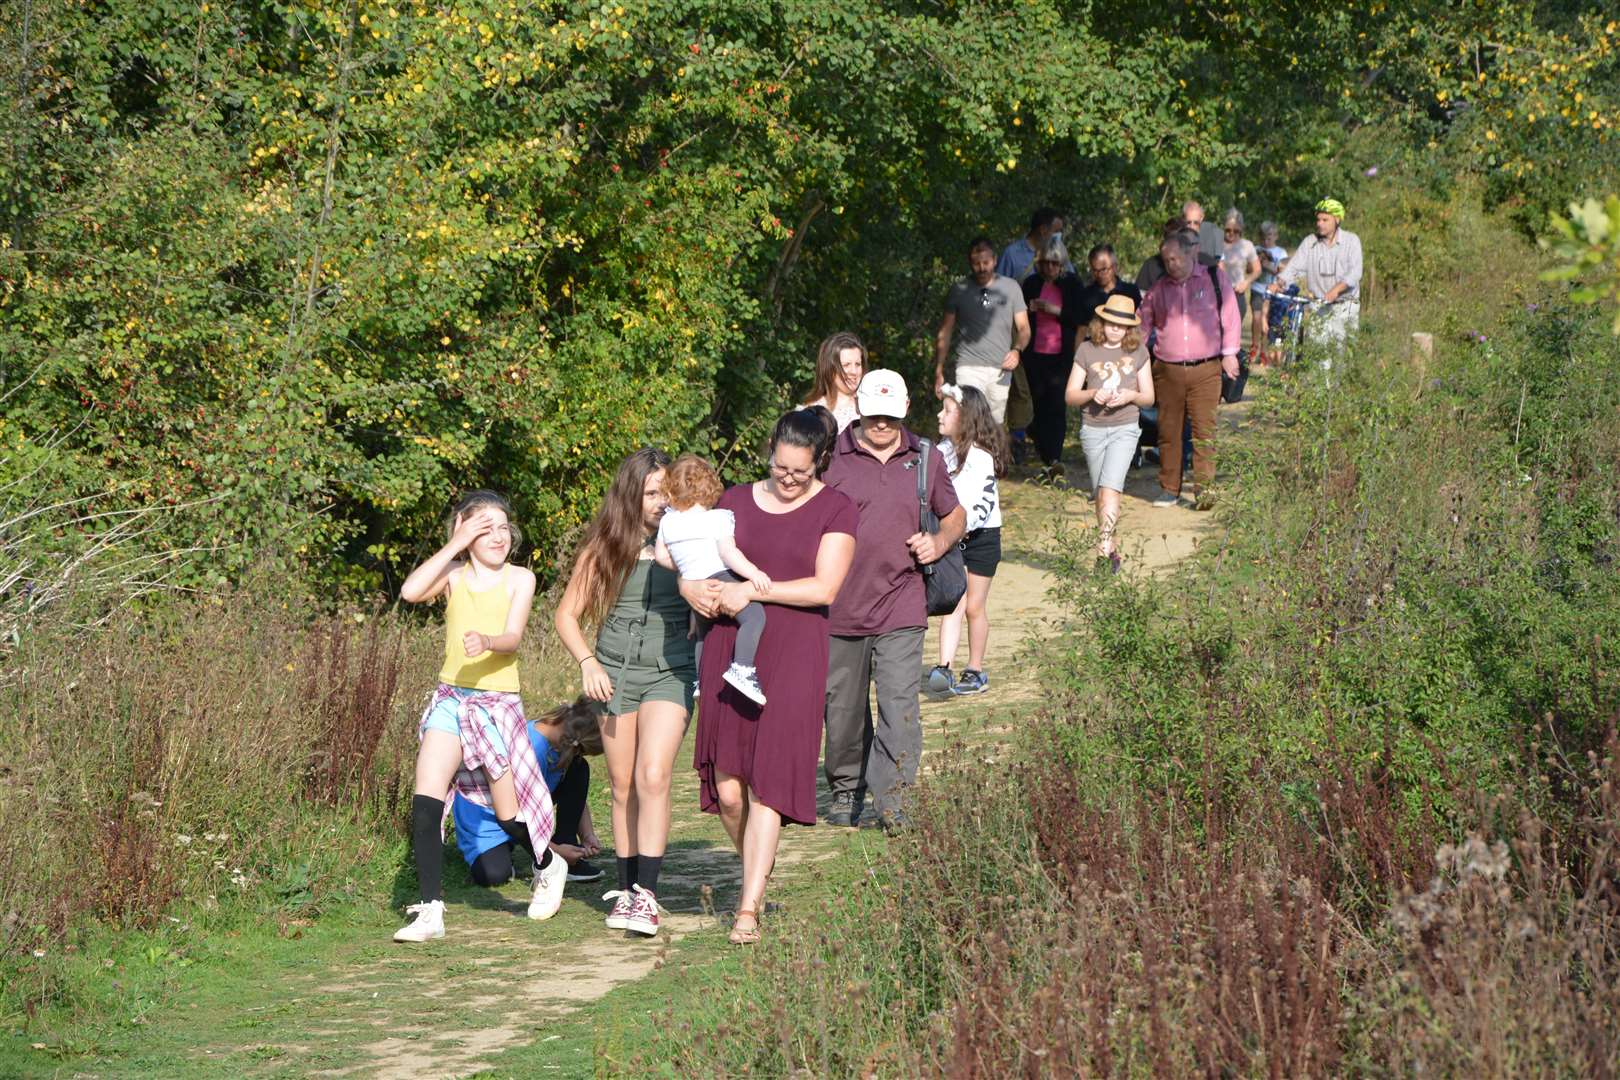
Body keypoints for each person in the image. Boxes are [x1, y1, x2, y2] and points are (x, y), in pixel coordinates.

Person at [680, 410, 858, 945]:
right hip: (729, 646)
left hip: (796, 653)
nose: (788, 479)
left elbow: (824, 589)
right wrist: (693, 590)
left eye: (799, 472)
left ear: (819, 462)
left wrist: (752, 591)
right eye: (781, 467)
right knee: (730, 791)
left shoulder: (837, 508)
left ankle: (748, 907)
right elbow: (692, 553)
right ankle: (757, 866)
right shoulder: (732, 500)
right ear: (771, 452)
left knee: (768, 785)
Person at [395, 490, 560, 942]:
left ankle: (548, 864)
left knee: (508, 814)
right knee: (426, 800)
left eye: (503, 526)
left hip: (496, 705)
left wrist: (487, 641)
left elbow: (512, 637)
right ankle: (431, 911)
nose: (497, 535)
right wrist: (454, 544)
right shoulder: (452, 574)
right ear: (464, 531)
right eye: (484, 527)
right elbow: (410, 592)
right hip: (451, 701)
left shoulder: (520, 579)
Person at [554, 448, 695, 939]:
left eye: (665, 492)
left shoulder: (686, 537)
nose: (659, 501)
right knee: (621, 784)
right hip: (614, 673)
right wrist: (588, 662)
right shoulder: (605, 545)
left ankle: (647, 897)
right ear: (630, 495)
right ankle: (627, 886)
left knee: (653, 775)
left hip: (671, 669)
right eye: (650, 493)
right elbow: (566, 615)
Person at [823, 370, 965, 829]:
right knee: (842, 710)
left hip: (902, 600)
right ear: (859, 410)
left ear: (903, 412)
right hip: (839, 605)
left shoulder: (924, 456)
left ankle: (895, 800)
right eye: (873, 415)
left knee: (899, 704)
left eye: (889, 416)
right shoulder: (831, 456)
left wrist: (938, 542)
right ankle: (846, 790)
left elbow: (955, 515)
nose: (881, 425)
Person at [654, 454, 773, 705]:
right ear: (709, 487)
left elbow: (662, 556)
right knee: (754, 617)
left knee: (701, 635)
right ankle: (742, 668)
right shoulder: (718, 518)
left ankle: (699, 679)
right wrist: (754, 574)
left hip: (693, 584)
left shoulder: (667, 522)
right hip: (719, 578)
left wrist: (686, 564)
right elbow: (729, 554)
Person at [451, 697, 606, 888]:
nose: (578, 756)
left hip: (518, 811)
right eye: (581, 752)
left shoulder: (557, 741)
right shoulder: (532, 751)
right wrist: (554, 852)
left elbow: (572, 792)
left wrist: (587, 834)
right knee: (493, 875)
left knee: (578, 769)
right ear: (577, 743)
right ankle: (549, 858)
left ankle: (565, 850)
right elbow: (514, 819)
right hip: (489, 821)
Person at [1138, 227, 1240, 508]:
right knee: (1168, 432)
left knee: (1204, 432)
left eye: (1174, 259)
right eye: (1166, 260)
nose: (1171, 264)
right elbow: (1142, 325)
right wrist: (1130, 358)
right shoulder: (1159, 289)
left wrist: (1230, 354)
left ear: (1189, 253)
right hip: (1167, 370)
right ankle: (1169, 488)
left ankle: (1205, 492)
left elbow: (1230, 317)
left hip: (1206, 368)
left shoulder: (1213, 279)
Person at [927, 384, 1009, 695]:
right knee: (954, 603)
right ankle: (944, 668)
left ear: (966, 418)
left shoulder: (981, 456)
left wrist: (959, 527)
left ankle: (975, 670)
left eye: (947, 410)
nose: (940, 414)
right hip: (952, 536)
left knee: (974, 605)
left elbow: (984, 503)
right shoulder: (940, 452)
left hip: (982, 538)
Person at [1066, 295, 1156, 570]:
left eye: (1122, 324)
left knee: (1110, 489)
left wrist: (1130, 395)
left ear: (1130, 327)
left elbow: (1149, 397)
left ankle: (1103, 551)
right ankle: (1112, 547)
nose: (1115, 328)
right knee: (1100, 495)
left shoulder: (1139, 351)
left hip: (1125, 428)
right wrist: (1094, 393)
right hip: (1093, 429)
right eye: (1110, 322)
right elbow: (1070, 395)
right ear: (1101, 322)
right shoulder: (1086, 350)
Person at [935, 237, 1031, 424]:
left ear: (995, 260)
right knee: (969, 419)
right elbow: (945, 332)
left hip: (1001, 368)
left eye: (986, 262)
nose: (981, 268)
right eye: (976, 263)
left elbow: (1024, 328)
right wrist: (938, 368)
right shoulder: (959, 289)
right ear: (970, 263)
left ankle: (992, 454)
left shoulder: (1011, 288)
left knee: (994, 423)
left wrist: (1017, 350)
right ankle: (966, 453)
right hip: (968, 365)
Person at [1018, 235, 1086, 476]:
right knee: (1036, 406)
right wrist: (1030, 309)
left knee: (1056, 405)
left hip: (1060, 356)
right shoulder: (1031, 283)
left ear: (1062, 264)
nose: (1050, 268)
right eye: (1046, 262)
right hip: (1034, 354)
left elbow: (1080, 318)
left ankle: (1054, 458)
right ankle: (1044, 451)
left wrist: (1055, 310)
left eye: (1055, 263)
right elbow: (1020, 315)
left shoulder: (1071, 284)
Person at [1270, 197, 1363, 347]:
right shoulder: (1310, 242)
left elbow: (1355, 272)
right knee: (1319, 360)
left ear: (1337, 219)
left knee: (1342, 360)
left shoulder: (1351, 241)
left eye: (1325, 220)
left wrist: (1336, 290)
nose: (1319, 224)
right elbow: (1294, 267)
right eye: (1318, 220)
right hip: (1319, 307)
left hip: (1345, 306)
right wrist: (1278, 283)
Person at [801, 331, 867, 432]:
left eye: (858, 364)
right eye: (846, 365)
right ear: (829, 368)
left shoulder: (871, 405)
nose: (854, 372)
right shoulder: (811, 414)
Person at [995, 206, 1068, 282]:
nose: (1059, 235)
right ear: (1043, 230)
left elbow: (1071, 280)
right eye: (1056, 231)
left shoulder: (1059, 253)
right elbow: (998, 287)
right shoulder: (1012, 254)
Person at [1075, 243, 1142, 322]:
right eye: (1095, 270)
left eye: (1104, 269)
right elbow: (1082, 328)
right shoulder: (1086, 295)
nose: (1099, 274)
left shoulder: (1131, 291)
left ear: (1114, 267)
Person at [1252, 222, 1288, 364]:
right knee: (1256, 318)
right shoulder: (1255, 249)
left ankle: (1264, 351)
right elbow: (1249, 269)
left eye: (1269, 237)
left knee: (1266, 322)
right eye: (1263, 237)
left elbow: (1282, 273)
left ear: (1276, 236)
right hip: (1257, 289)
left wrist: (1267, 266)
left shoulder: (1281, 252)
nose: (1266, 240)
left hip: (1272, 293)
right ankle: (1254, 347)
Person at [1219, 208, 1260, 323]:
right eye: (1228, 230)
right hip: (1218, 294)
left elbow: (1257, 270)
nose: (1231, 233)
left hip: (1237, 294)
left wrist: (1246, 282)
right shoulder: (1216, 244)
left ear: (1241, 229)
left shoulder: (1247, 245)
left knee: (1233, 335)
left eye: (1235, 231)